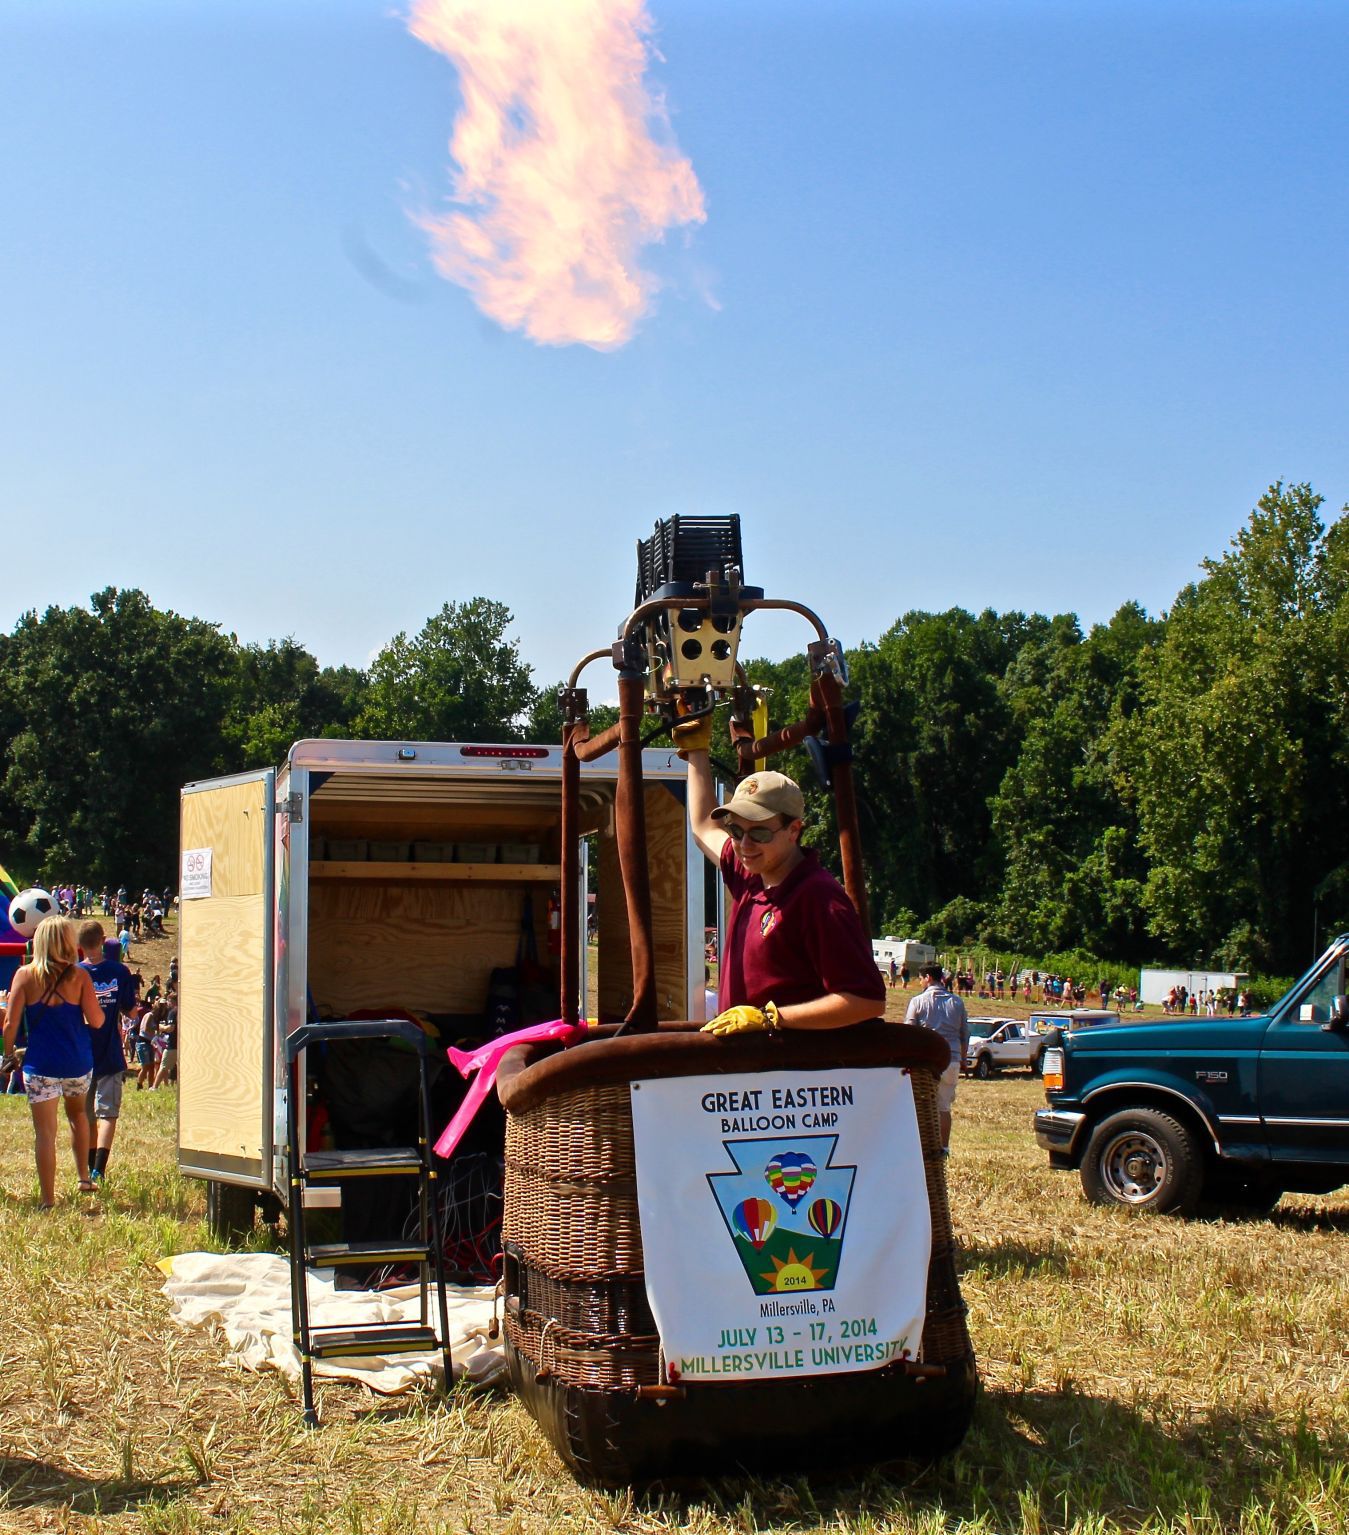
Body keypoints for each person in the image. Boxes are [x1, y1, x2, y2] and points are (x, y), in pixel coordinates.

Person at [678, 715, 884, 1034]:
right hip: (752, 1076)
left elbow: (865, 1000)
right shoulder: (752, 874)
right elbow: (705, 825)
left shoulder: (819, 899)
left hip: (791, 1078)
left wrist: (771, 1018)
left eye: (759, 832)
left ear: (794, 830)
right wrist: (697, 749)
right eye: (735, 830)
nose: (745, 844)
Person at [2, 915, 106, 1206]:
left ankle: (48, 1200)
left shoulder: (24, 975)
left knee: (45, 1133)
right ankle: (84, 1177)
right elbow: (96, 1020)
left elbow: (10, 1022)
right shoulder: (80, 976)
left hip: (40, 1065)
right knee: (78, 1117)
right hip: (77, 1061)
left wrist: (9, 1054)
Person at [78, 922, 137, 1182]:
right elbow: (130, 1010)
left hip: (80, 1055)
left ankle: (88, 1167)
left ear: (79, 945)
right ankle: (98, 1169)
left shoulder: (75, 973)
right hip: (110, 1053)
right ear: (103, 940)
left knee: (86, 1115)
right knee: (108, 1114)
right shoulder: (119, 971)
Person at [903, 963, 970, 1151]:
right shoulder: (957, 1002)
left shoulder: (917, 1001)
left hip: (926, 1060)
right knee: (944, 1106)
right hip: (952, 1058)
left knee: (922, 1104)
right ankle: (944, 1148)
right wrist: (963, 1059)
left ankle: (923, 1147)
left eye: (921, 978)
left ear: (928, 978)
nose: (920, 981)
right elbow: (965, 1033)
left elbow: (909, 1031)